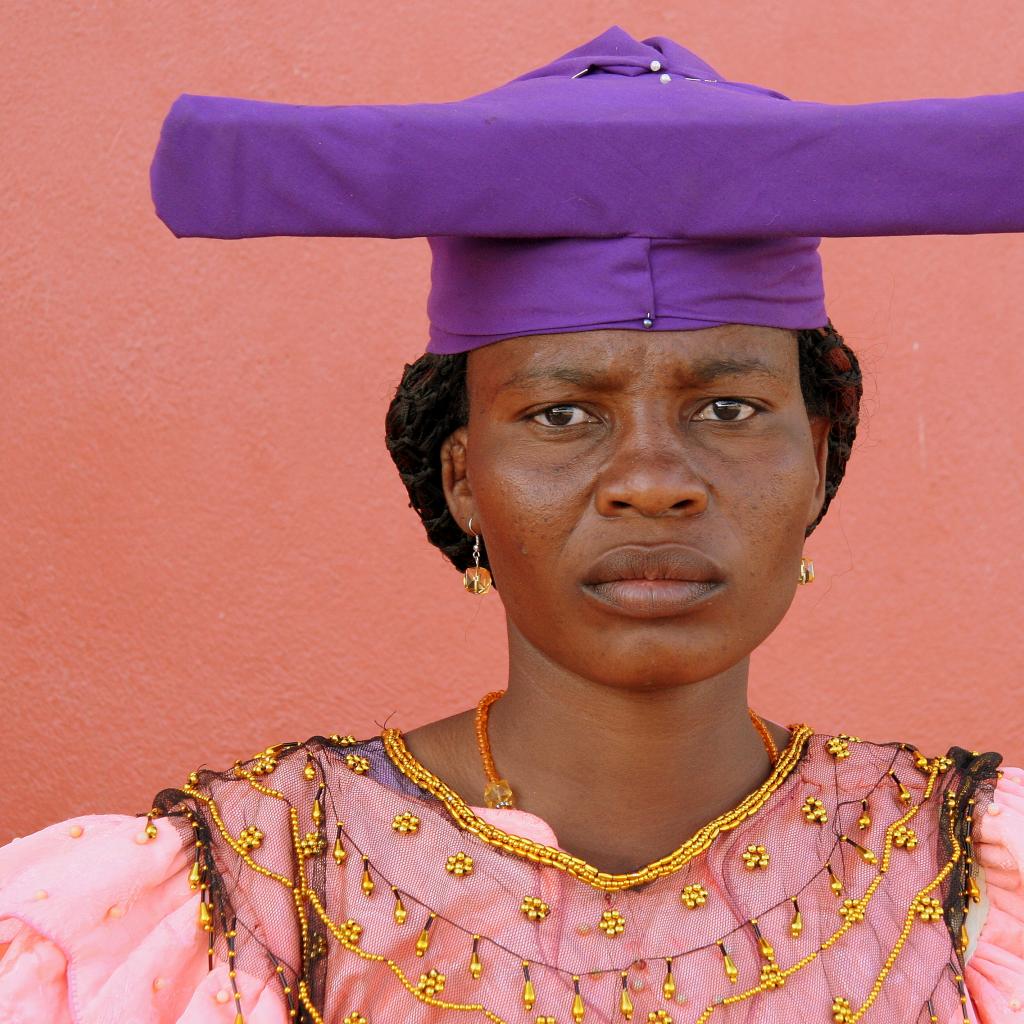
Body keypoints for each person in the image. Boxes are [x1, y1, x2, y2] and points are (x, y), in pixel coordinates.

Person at [1, 24, 1022, 1024]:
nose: (652, 482)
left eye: (726, 408)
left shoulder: (974, 884)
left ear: (814, 459)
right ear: (461, 479)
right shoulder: (241, 901)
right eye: (561, 414)